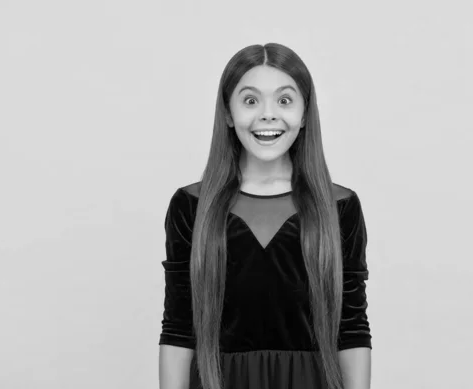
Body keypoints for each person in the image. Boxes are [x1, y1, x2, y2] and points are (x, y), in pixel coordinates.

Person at [159, 43, 371, 389]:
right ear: (228, 113)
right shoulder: (191, 206)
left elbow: (351, 328)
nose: (268, 114)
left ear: (305, 115)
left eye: (284, 100)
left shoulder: (340, 206)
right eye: (251, 100)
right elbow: (179, 329)